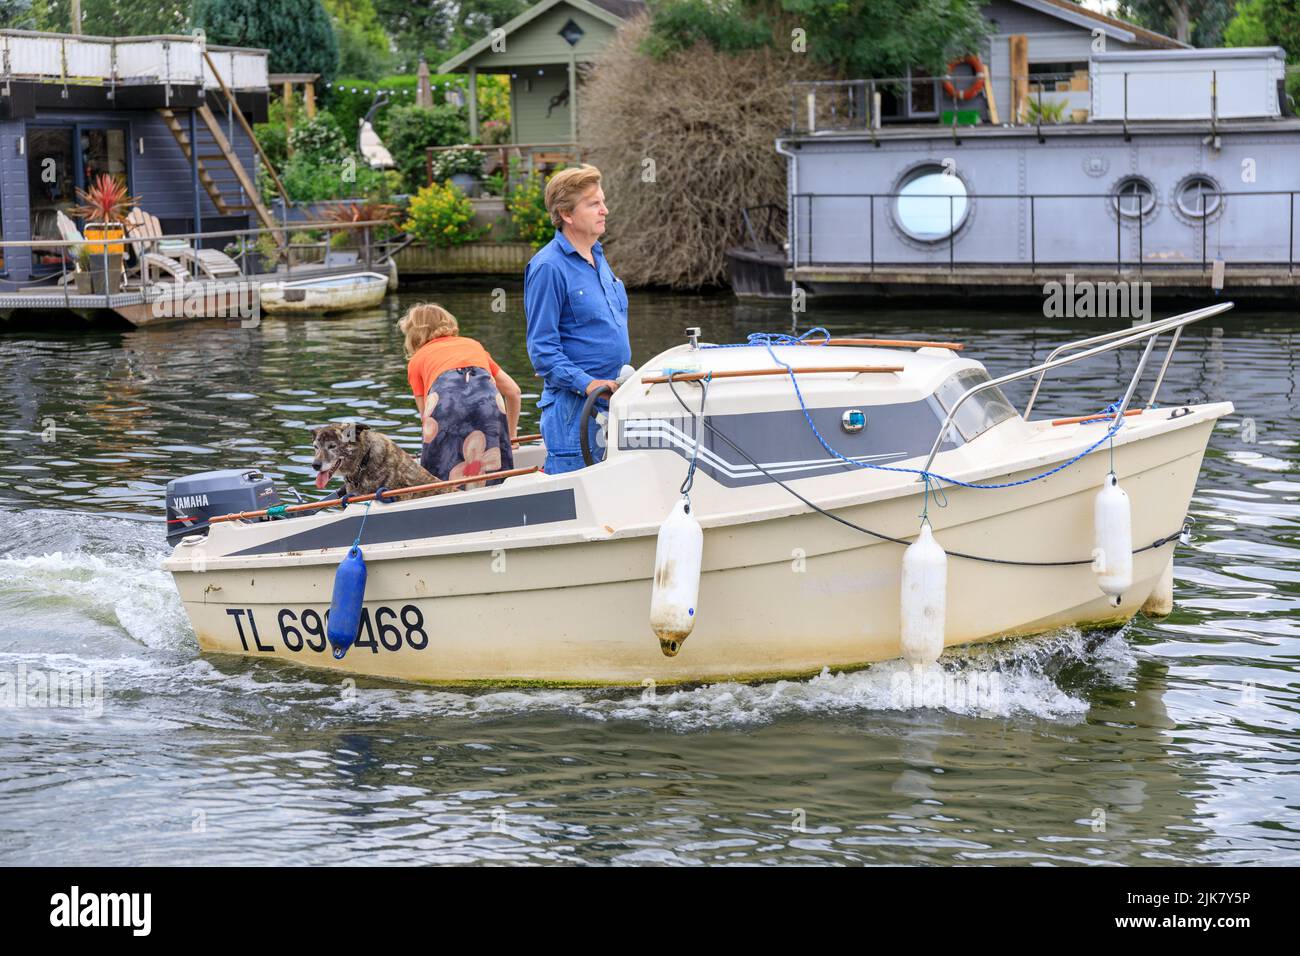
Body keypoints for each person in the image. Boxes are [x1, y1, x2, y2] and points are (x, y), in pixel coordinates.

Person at [523, 164, 631, 474]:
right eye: (594, 203)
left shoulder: (598, 256)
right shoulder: (548, 268)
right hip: (574, 414)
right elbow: (542, 351)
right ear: (567, 215)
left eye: (603, 201)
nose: (605, 210)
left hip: (612, 406)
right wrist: (589, 384)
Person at [400, 303, 521, 488]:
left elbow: (426, 418)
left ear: (413, 334)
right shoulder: (474, 345)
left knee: (438, 480)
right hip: (489, 404)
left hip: (446, 406)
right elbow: (513, 392)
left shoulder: (417, 360)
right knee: (494, 471)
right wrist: (511, 437)